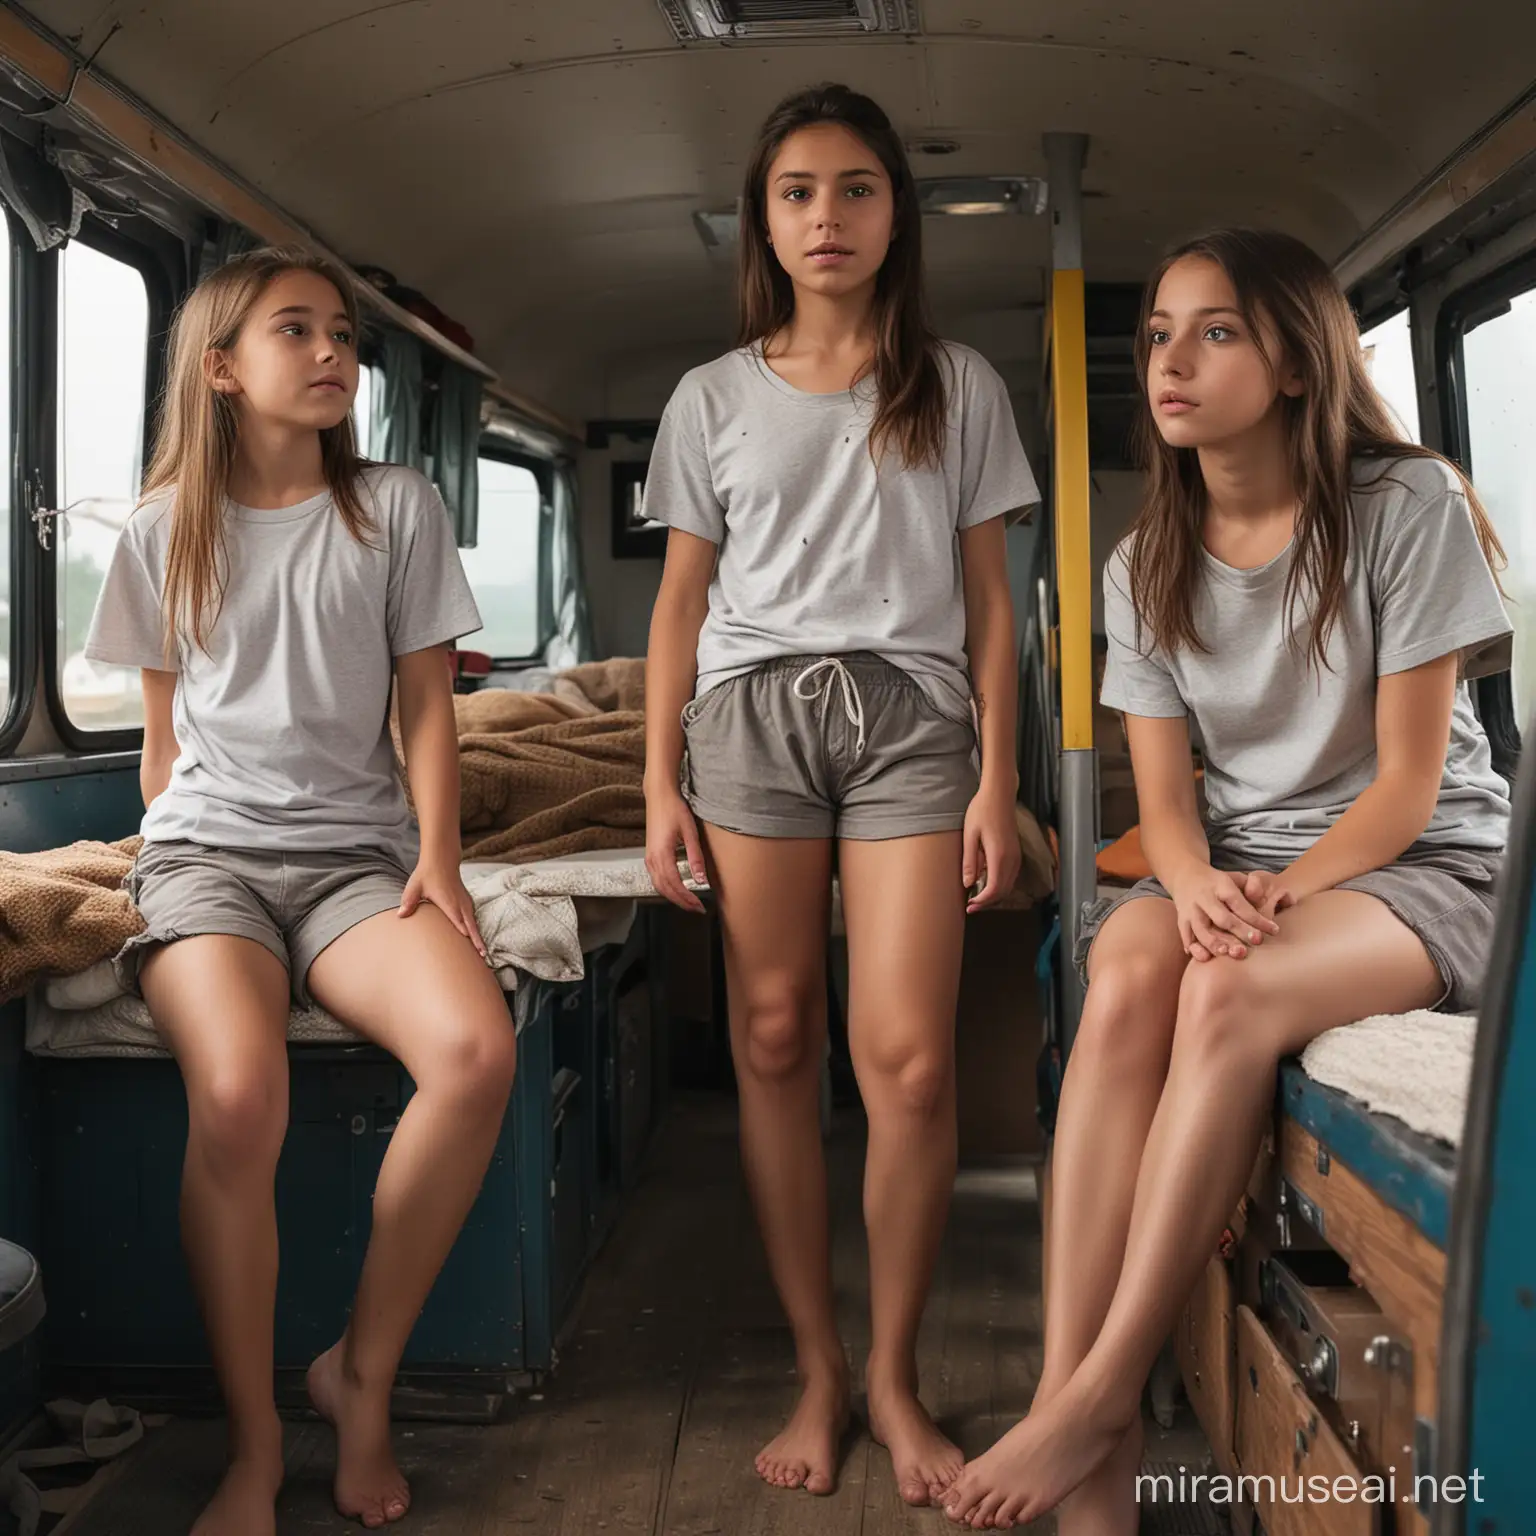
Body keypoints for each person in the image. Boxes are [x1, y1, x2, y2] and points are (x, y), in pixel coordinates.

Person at [944, 227, 1511, 1531]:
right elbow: (1166, 806)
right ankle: (1077, 1412)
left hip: (1425, 865)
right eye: (1158, 334)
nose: (1171, 362)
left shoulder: (1401, 506)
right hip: (1252, 867)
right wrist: (1196, 887)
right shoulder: (1145, 562)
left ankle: (1097, 1402)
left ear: (1299, 364)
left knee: (1228, 996)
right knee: (1130, 966)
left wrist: (1269, 902)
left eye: (1216, 332)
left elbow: (1411, 791)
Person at [642, 82, 1038, 1506]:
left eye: (858, 188)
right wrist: (656, 787)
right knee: (766, 1030)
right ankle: (819, 1366)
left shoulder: (962, 383)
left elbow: (995, 606)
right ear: (763, 216)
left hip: (912, 719)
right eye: (800, 189)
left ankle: (896, 1375)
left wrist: (1002, 777)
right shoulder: (710, 397)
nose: (829, 215)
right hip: (749, 719)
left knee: (912, 1062)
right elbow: (680, 608)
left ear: (897, 214)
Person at [84, 247, 517, 1534]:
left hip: (354, 862)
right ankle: (256, 1446)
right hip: (208, 857)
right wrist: (161, 852)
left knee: (475, 1051)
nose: (333, 352)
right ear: (222, 369)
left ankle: (358, 1382)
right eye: (296, 331)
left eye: (342, 333)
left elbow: (429, 715)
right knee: (233, 1091)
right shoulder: (167, 528)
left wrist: (437, 863)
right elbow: (162, 744)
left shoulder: (396, 508)